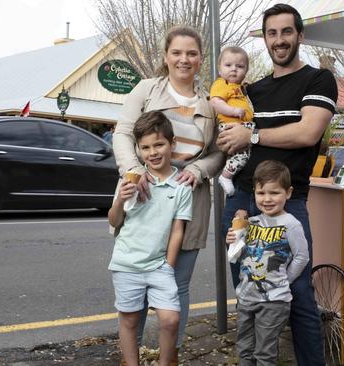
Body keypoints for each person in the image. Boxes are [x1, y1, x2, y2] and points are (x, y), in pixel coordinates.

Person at [216, 4, 338, 365]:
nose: (279, 40)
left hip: (288, 205)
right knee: (248, 293)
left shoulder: (318, 80)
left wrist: (250, 135)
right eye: (272, 33)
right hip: (240, 200)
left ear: (300, 35)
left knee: (298, 295)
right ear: (265, 38)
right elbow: (219, 118)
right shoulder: (252, 90)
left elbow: (308, 131)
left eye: (286, 32)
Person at [112, 26, 223, 364]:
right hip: (144, 196)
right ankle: (132, 353)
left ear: (201, 59)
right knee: (139, 278)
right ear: (166, 56)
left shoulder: (210, 103)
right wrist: (134, 171)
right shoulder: (146, 89)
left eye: (191, 53)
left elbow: (219, 152)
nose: (184, 59)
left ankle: (169, 355)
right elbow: (122, 133)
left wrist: (200, 170)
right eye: (177, 52)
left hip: (187, 197)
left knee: (177, 285)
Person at [108, 111, 191, 366]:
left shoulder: (182, 186)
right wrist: (121, 199)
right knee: (130, 319)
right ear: (138, 150)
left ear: (171, 144)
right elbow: (114, 221)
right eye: (145, 147)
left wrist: (168, 265)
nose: (152, 152)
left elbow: (178, 230)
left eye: (158, 144)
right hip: (126, 264)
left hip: (159, 266)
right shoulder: (130, 181)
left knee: (170, 319)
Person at [226, 160, 309, 366]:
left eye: (274, 193)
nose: (267, 199)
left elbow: (302, 257)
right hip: (246, 298)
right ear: (254, 193)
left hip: (273, 302)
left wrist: (284, 281)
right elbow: (235, 257)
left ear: (288, 193)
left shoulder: (291, 224)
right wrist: (234, 241)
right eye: (261, 193)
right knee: (245, 349)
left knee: (264, 353)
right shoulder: (251, 223)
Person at [209, 46, 254, 197]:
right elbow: (216, 102)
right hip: (230, 125)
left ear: (246, 70)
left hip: (243, 126)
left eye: (239, 66)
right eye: (228, 65)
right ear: (220, 69)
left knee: (244, 153)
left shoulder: (240, 87)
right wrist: (234, 111)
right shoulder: (222, 83)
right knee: (243, 156)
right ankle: (226, 176)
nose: (234, 69)